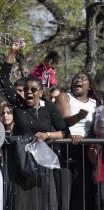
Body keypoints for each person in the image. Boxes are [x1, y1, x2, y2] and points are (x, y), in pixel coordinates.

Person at [0, 43, 66, 210]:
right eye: (27, 89)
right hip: (21, 162)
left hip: (43, 162)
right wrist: (12, 53)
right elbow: (3, 79)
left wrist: (47, 135)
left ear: (41, 93)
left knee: (44, 202)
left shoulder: (49, 107)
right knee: (22, 203)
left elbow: (64, 132)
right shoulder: (18, 104)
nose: (29, 92)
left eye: (33, 89)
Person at [55, 71, 101, 210]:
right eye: (75, 77)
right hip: (67, 146)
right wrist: (78, 117)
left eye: (82, 78)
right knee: (66, 193)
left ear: (90, 87)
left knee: (83, 193)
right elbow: (63, 122)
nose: (78, 80)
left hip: (87, 150)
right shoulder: (65, 97)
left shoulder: (96, 103)